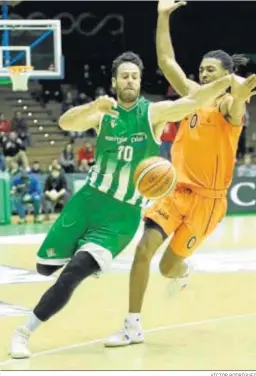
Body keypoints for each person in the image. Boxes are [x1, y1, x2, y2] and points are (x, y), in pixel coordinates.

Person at [10, 50, 235, 358]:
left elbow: (193, 102)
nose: (130, 81)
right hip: (87, 201)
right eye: (125, 76)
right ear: (114, 81)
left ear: (140, 81)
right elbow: (66, 122)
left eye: (135, 77)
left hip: (121, 216)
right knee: (45, 266)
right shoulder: (105, 111)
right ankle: (90, 257)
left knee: (73, 272)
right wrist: (93, 106)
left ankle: (23, 333)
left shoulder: (152, 114)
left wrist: (228, 81)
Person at [104, 1, 256, 347]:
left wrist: (239, 91)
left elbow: (236, 102)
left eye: (211, 71)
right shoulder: (191, 97)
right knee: (143, 249)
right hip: (174, 190)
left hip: (208, 203)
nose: (203, 75)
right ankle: (132, 325)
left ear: (225, 75)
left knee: (168, 268)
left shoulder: (229, 110)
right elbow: (166, 62)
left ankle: (184, 270)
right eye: (201, 70)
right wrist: (162, 16)